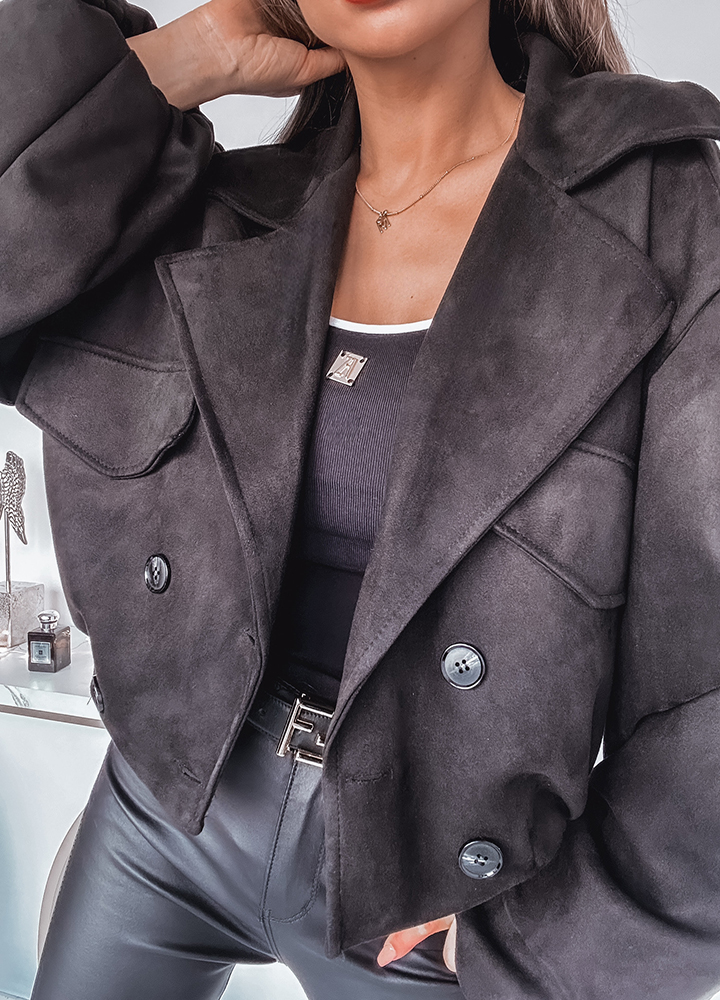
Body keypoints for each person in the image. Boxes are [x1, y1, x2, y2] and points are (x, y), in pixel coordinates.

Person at [2, 0, 720, 996]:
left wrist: (560, 933)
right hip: (167, 810)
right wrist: (184, 58)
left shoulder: (662, 212)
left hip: (428, 878)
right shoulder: (219, 213)